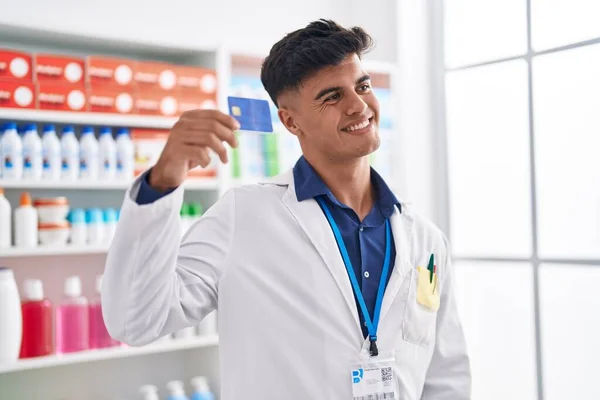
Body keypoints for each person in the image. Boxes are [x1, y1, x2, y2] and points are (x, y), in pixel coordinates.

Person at [102, 19, 471, 400]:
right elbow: (137, 320)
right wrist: (163, 179)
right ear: (290, 121)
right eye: (332, 96)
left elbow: (446, 376)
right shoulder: (243, 216)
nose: (359, 105)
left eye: (361, 86)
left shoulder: (423, 238)